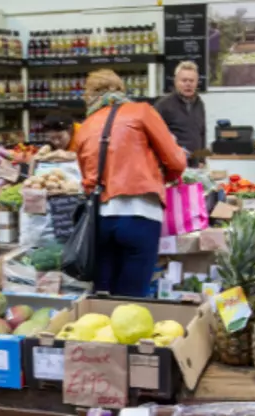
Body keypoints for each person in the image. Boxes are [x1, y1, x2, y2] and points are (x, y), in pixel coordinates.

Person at [72, 70, 186, 298]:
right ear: (120, 89)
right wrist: (166, 176)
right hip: (141, 215)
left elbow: (87, 178)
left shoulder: (85, 127)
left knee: (103, 296)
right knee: (132, 298)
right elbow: (176, 161)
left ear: (89, 96)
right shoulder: (142, 112)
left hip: (101, 220)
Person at [154, 61, 206, 161]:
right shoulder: (163, 105)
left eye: (192, 81)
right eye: (184, 80)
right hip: (171, 164)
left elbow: (202, 134)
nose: (188, 84)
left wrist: (202, 160)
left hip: (194, 164)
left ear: (197, 82)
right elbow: (154, 135)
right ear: (176, 81)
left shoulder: (199, 104)